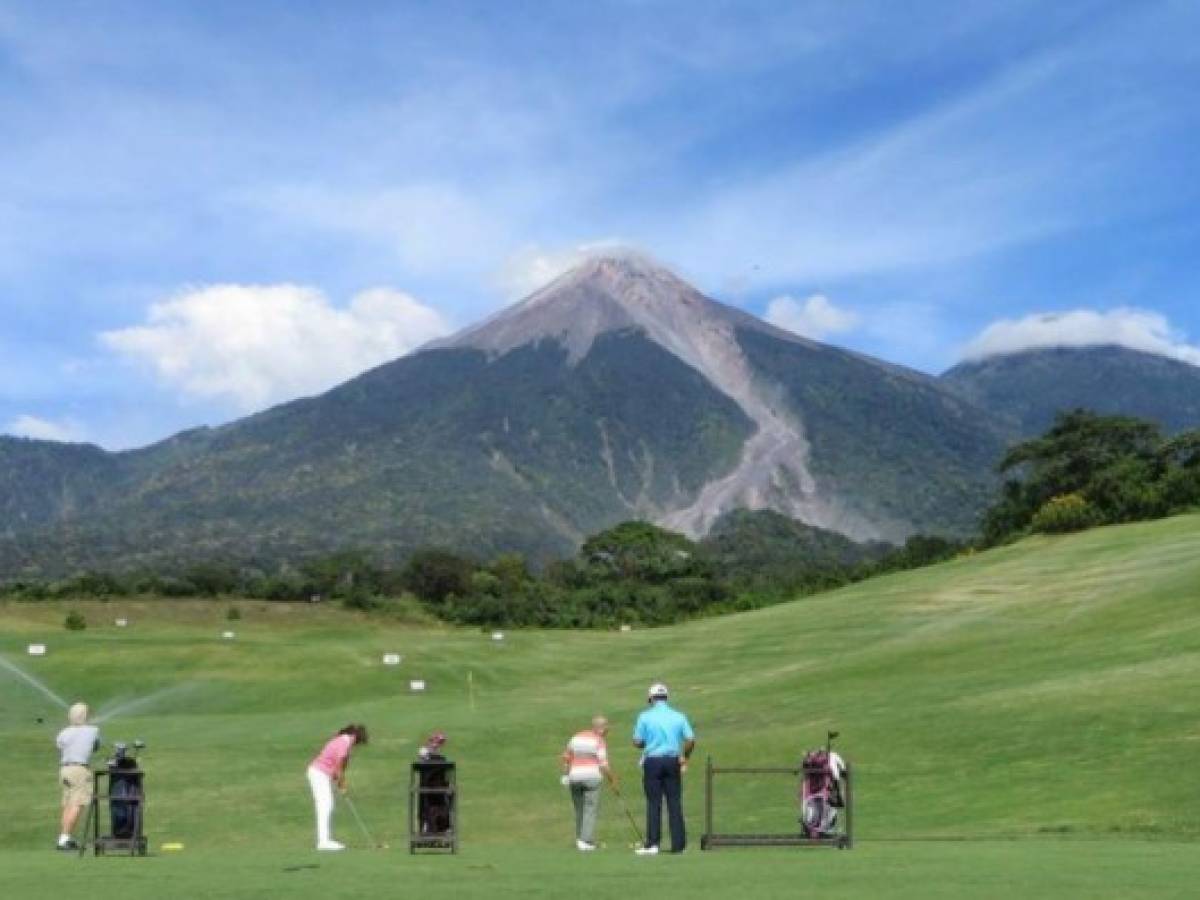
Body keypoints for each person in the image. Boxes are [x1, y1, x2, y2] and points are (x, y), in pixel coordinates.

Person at [633, 683, 694, 855]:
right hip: (673, 760)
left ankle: (653, 844)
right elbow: (690, 739)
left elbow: (637, 741)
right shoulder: (679, 716)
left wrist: (649, 743)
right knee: (674, 802)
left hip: (652, 761)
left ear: (651, 698)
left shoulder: (644, 717)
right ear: (666, 697)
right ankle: (679, 845)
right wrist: (685, 757)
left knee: (654, 803)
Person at [306, 724, 368, 851]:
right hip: (319, 773)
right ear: (355, 737)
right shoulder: (344, 743)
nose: (357, 745)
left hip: (320, 773)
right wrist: (341, 783)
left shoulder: (343, 741)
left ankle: (324, 840)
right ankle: (323, 842)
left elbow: (340, 766)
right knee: (325, 805)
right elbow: (339, 767)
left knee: (327, 805)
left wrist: (339, 779)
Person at [561, 715, 617, 851]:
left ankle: (580, 839)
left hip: (575, 777)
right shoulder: (599, 741)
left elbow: (566, 757)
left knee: (579, 809)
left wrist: (566, 774)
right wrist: (613, 779)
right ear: (602, 728)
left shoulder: (576, 737)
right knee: (590, 809)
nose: (608, 730)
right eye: (607, 727)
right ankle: (586, 841)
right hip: (592, 777)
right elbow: (603, 765)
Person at [56, 701, 100, 851]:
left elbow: (60, 747)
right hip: (79, 770)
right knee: (77, 803)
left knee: (67, 803)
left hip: (64, 769)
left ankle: (64, 837)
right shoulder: (93, 730)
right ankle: (64, 839)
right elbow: (96, 747)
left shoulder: (63, 732)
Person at [416, 731, 452, 834]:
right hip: (427, 787)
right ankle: (426, 829)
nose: (437, 744)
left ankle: (442, 829)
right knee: (426, 808)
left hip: (439, 787)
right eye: (437, 741)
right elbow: (423, 759)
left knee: (442, 806)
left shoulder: (440, 757)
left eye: (440, 742)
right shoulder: (424, 751)